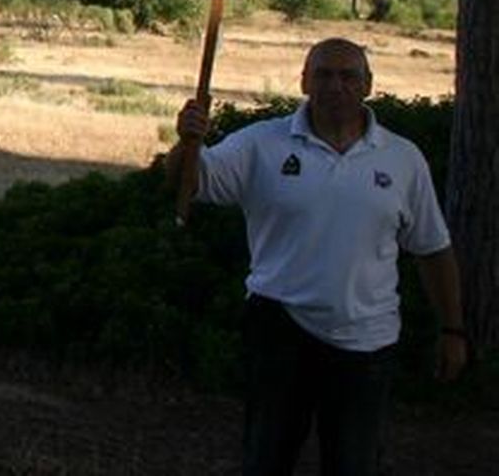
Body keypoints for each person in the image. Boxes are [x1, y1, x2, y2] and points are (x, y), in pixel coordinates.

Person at [170, 38, 466, 476]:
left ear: (368, 85)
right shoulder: (261, 145)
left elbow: (432, 248)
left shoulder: (403, 159)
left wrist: (452, 330)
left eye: (348, 76)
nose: (335, 85)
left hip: (368, 340)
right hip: (279, 329)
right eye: (324, 74)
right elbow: (187, 186)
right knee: (266, 459)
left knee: (352, 464)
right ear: (304, 80)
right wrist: (188, 143)